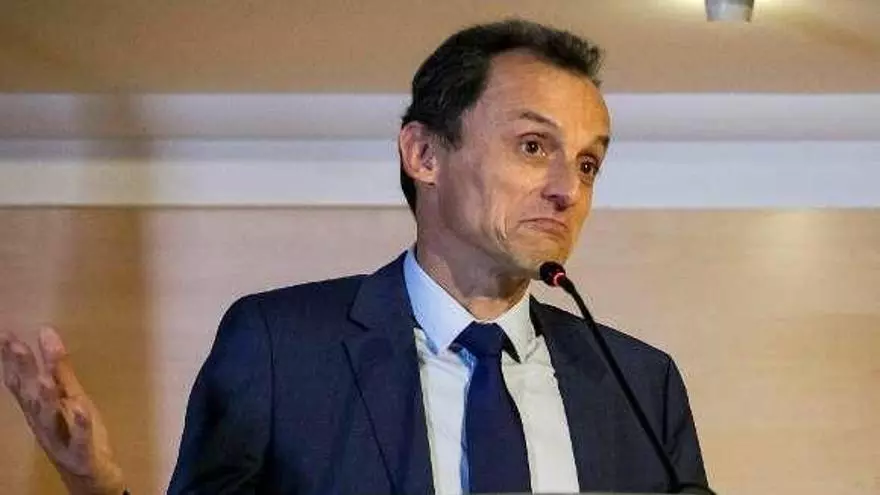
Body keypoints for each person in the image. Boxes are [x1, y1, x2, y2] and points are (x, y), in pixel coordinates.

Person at [1, 19, 708, 494]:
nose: (567, 189)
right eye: (533, 146)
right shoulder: (279, 349)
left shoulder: (640, 386)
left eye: (588, 163)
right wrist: (98, 486)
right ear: (423, 154)